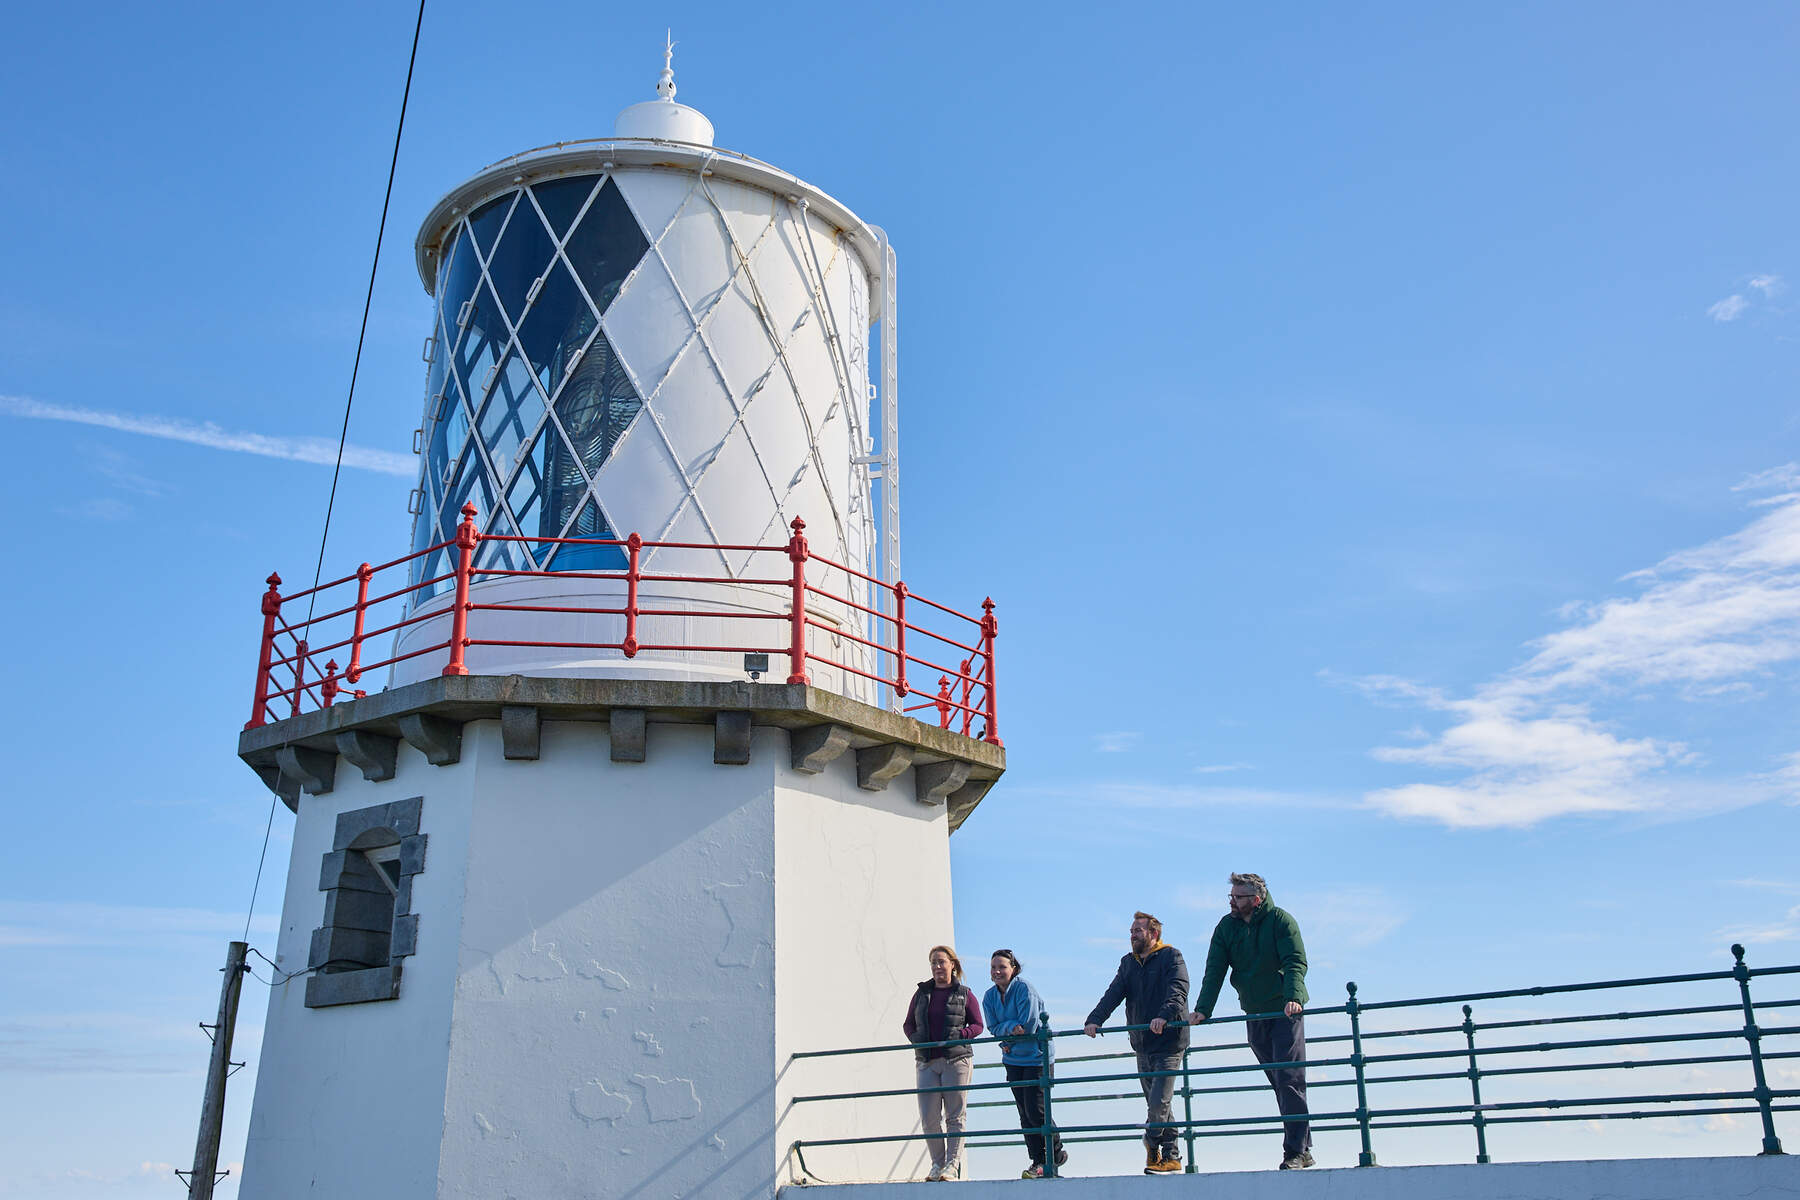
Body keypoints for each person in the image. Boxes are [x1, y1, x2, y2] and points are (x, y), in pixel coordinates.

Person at [1188, 873, 1313, 1170]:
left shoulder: (1281, 921)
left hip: (1285, 1011)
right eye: (1231, 896)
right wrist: (1203, 1009)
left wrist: (1292, 997)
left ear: (1255, 900)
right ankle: (1303, 1146)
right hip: (1254, 1011)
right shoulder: (1226, 927)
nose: (1232, 901)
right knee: (1277, 1079)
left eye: (1238, 897)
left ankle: (1295, 1151)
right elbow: (1215, 969)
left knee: (1289, 1078)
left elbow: (1295, 961)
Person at [1084, 911, 1190, 1174]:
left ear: (1153, 934)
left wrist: (1163, 1016)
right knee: (1159, 1102)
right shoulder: (1128, 963)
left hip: (1168, 1041)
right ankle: (1171, 1157)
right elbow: (1114, 993)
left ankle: (1151, 1143)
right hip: (1142, 1042)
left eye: (1138, 931)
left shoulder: (1171, 956)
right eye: (1131, 931)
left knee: (1158, 1102)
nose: (1132, 936)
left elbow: (1179, 990)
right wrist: (1095, 1019)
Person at [981, 949, 1066, 1178]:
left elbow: (1028, 1024)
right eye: (993, 967)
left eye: (1002, 967)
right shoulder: (989, 997)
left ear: (1013, 969)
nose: (997, 971)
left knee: (1036, 1109)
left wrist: (1006, 1034)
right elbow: (993, 1027)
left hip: (1037, 1057)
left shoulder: (1024, 989)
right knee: (1024, 1113)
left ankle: (1055, 1154)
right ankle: (1038, 1160)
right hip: (1013, 1059)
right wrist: (1009, 1032)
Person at [903, 945, 984, 1181]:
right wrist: (916, 1040)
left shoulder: (964, 993)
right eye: (933, 963)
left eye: (941, 962)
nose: (937, 967)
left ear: (952, 964)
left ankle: (952, 1164)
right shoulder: (921, 994)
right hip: (927, 1061)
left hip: (956, 1060)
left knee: (955, 1116)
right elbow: (908, 1024)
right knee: (929, 1117)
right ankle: (937, 1165)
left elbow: (978, 1024)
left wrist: (963, 1035)